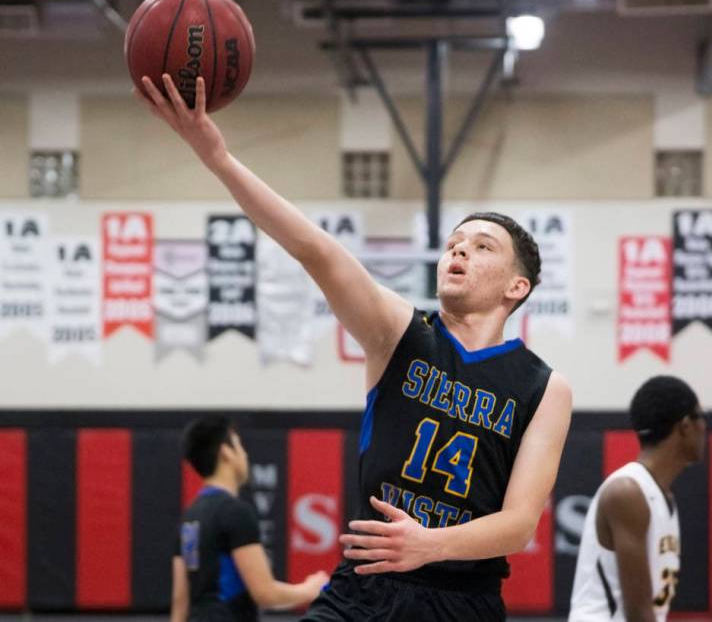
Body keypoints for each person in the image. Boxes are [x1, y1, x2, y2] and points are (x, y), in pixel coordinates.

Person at [138, 75, 572, 622]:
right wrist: (217, 155)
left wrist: (431, 544)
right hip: (362, 590)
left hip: (461, 601)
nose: (459, 251)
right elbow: (314, 249)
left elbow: (520, 523)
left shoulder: (544, 387)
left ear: (517, 287)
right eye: (454, 244)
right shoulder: (402, 333)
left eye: (482, 247)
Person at [568, 376, 707, 622]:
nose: (705, 427)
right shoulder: (628, 492)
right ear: (685, 425)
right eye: (702, 417)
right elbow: (638, 615)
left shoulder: (661, 496)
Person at [171, 415, 327, 622]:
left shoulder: (189, 517)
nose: (244, 455)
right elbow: (265, 593)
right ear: (226, 452)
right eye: (239, 446)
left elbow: (180, 601)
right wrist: (310, 590)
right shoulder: (234, 511)